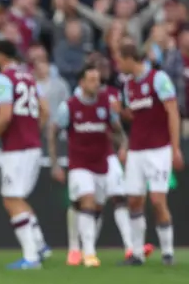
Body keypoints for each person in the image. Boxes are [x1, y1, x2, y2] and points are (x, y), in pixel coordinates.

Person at [63, 55, 154, 265]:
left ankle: (130, 247)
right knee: (83, 202)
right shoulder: (74, 101)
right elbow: (60, 128)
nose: (99, 78)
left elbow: (115, 127)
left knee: (119, 197)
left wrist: (122, 144)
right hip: (81, 159)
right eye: (94, 75)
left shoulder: (110, 96)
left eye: (101, 72)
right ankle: (77, 249)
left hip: (106, 156)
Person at [48, 65, 128, 267]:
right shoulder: (69, 106)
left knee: (93, 208)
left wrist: (124, 146)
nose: (97, 84)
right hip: (80, 164)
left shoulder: (106, 104)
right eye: (92, 80)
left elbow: (117, 129)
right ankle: (89, 253)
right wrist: (55, 163)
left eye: (98, 80)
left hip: (101, 164)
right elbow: (52, 132)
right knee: (88, 200)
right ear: (82, 83)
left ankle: (79, 248)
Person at [0, 40, 50, 270]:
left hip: (16, 147)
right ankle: (40, 245)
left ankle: (31, 257)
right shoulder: (29, 76)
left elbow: (4, 115)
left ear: (1, 55)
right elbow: (45, 110)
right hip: (32, 144)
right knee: (18, 197)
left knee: (11, 199)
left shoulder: (2, 79)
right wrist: (33, 130)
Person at [116, 43, 184, 266]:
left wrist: (175, 148)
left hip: (158, 149)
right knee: (134, 201)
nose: (118, 66)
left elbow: (172, 112)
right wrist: (121, 113)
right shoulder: (128, 86)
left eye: (120, 60)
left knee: (157, 200)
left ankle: (167, 252)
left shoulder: (158, 78)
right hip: (137, 150)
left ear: (129, 59)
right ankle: (137, 253)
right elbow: (137, 117)